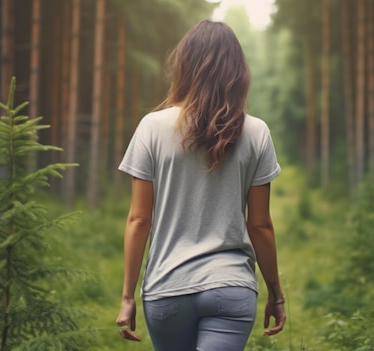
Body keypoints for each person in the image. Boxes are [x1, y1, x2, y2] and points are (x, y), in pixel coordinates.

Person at [115, 19, 286, 351]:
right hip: (232, 287)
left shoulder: (151, 127)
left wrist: (127, 296)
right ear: (237, 71)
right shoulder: (257, 132)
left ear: (185, 66)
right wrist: (276, 294)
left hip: (167, 287)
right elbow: (260, 224)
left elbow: (139, 219)